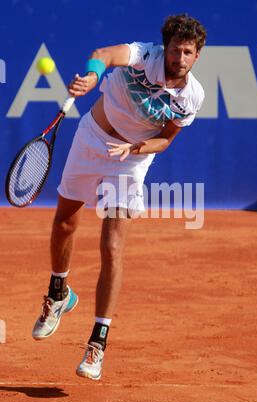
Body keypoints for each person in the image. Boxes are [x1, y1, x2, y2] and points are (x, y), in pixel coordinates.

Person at [32, 13, 207, 381]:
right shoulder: (145, 54)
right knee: (65, 221)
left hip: (130, 159)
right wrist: (94, 73)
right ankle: (59, 292)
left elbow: (166, 139)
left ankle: (97, 342)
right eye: (175, 49)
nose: (180, 57)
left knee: (112, 248)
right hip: (92, 136)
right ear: (166, 48)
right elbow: (104, 54)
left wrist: (138, 148)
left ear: (197, 55)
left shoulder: (192, 96)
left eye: (188, 51)